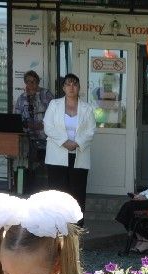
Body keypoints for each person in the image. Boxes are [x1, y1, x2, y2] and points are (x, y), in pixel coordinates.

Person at [43, 73, 94, 218]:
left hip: (79, 156)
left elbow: (91, 131)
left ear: (79, 87)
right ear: (63, 87)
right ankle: (56, 229)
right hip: (56, 157)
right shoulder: (54, 104)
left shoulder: (87, 108)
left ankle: (76, 231)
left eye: (75, 84)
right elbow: (48, 126)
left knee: (77, 195)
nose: (72, 87)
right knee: (57, 195)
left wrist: (76, 143)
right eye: (68, 84)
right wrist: (65, 142)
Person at [15, 70, 53, 177]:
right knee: (29, 166)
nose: (30, 85)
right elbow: (17, 117)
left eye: (33, 82)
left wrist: (42, 125)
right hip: (28, 139)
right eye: (28, 82)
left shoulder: (46, 94)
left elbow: (54, 115)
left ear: (38, 82)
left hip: (45, 138)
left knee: (46, 169)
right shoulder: (22, 98)